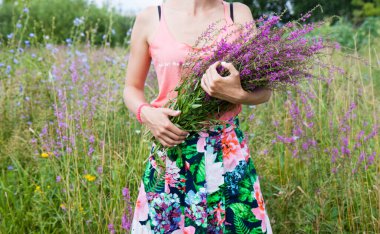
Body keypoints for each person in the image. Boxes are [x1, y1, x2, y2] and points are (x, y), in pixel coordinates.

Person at [123, 0, 273, 233]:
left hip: (228, 156)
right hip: (172, 154)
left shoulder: (238, 14)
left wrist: (238, 94)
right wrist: (148, 115)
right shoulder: (151, 17)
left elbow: (265, 91)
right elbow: (131, 88)